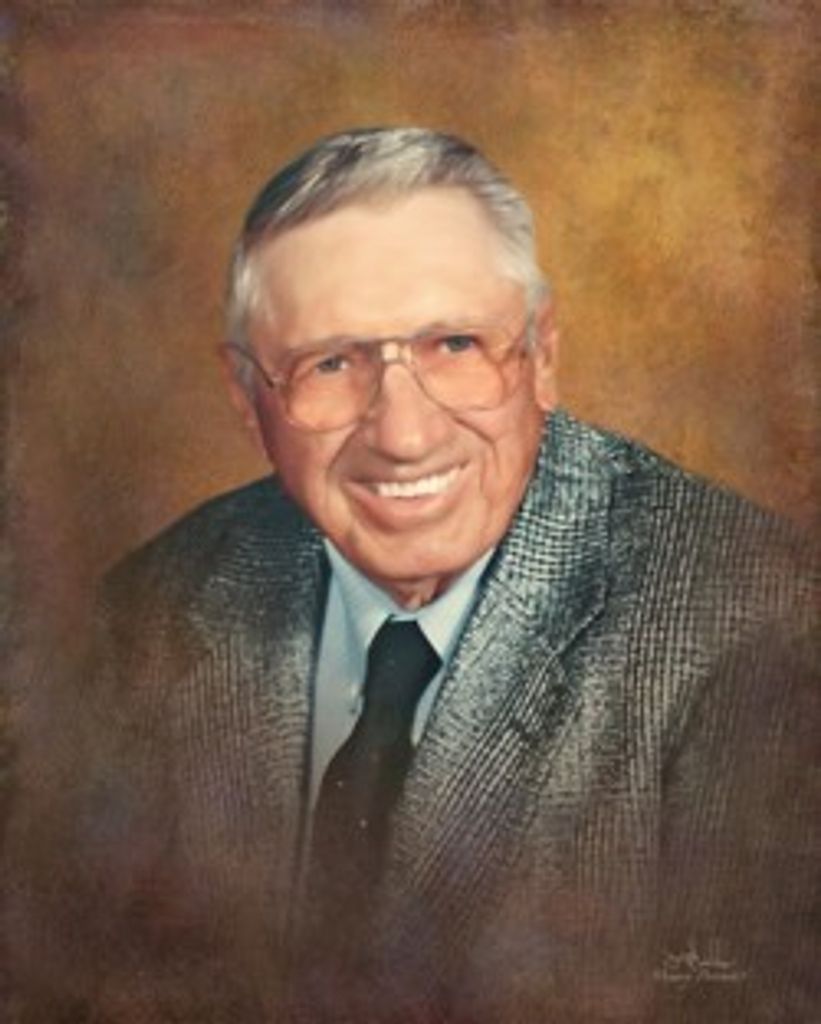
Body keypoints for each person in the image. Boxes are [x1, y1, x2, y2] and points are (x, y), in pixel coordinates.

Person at [9, 128, 818, 1024]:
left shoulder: (754, 622)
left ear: (542, 356)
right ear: (247, 397)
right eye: (330, 362)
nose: (404, 433)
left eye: (455, 345)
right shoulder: (150, 613)